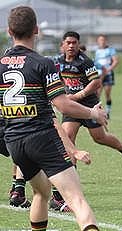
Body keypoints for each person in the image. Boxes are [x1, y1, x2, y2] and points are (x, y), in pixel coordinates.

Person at [0, 6, 108, 230]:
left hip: (14, 142)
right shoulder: (43, 63)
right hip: (41, 138)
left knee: (41, 192)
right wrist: (92, 113)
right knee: (77, 200)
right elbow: (62, 104)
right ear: (36, 30)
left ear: (9, 31)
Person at [55, 31, 122, 208]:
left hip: (89, 105)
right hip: (71, 107)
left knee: (100, 138)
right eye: (68, 43)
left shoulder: (84, 61)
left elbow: (96, 82)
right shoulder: (58, 61)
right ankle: (72, 189)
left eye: (74, 43)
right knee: (68, 141)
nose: (71, 46)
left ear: (78, 44)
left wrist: (78, 95)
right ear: (62, 44)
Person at [94, 34, 119, 119]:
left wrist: (108, 70)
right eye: (100, 40)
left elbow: (115, 61)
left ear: (106, 41)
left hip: (108, 74)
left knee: (107, 94)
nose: (102, 42)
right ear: (98, 41)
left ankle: (108, 112)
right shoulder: (97, 51)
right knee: (97, 94)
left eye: (103, 40)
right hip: (99, 74)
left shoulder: (110, 50)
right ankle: (100, 112)